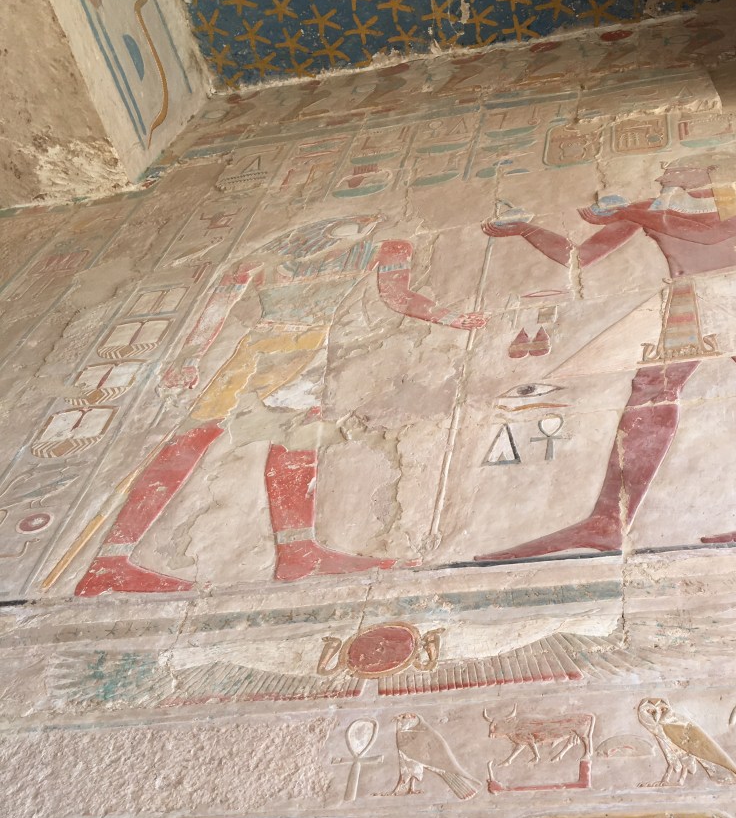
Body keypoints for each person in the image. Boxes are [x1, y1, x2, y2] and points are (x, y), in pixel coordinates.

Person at [476, 161, 736, 561]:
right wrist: (527, 229)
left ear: (707, 171)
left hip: (735, 297)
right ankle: (608, 520)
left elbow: (718, 234)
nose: (664, 176)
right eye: (664, 172)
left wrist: (636, 212)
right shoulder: (651, 208)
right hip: (684, 300)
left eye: (677, 170)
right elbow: (579, 257)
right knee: (650, 391)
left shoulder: (730, 198)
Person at [76, 216, 488, 595]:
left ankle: (297, 552)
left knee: (295, 442)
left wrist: (449, 318)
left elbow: (396, 296)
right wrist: (189, 357)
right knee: (198, 436)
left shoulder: (375, 246)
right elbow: (220, 299)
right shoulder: (293, 251)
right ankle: (110, 561)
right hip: (262, 352)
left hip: (302, 347)